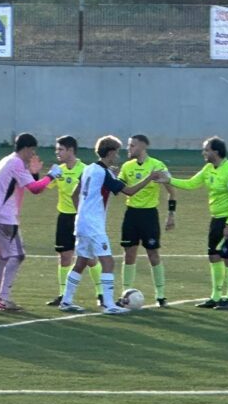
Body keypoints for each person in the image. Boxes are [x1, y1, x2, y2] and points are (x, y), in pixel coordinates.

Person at [58, 136, 160, 315]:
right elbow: (129, 191)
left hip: (81, 222)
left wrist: (83, 213)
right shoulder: (104, 173)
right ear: (111, 153)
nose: (118, 156)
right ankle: (108, 303)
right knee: (108, 262)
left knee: (81, 262)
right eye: (117, 152)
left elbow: (74, 195)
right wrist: (150, 177)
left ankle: (66, 300)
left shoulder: (89, 169)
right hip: (93, 225)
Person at [163, 137, 228, 311]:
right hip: (216, 218)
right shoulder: (208, 168)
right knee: (213, 256)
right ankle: (215, 297)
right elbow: (191, 184)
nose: (203, 153)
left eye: (206, 150)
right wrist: (169, 180)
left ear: (216, 152)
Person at [0, 133, 57, 311]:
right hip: (4, 217)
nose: (33, 155)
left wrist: (36, 173)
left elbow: (25, 182)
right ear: (26, 148)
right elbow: (35, 189)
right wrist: (52, 176)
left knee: (5, 257)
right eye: (32, 151)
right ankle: (4, 298)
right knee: (17, 255)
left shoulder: (7, 160)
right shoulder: (16, 163)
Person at [117, 135, 177, 308]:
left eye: (132, 145)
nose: (129, 148)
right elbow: (123, 189)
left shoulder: (158, 166)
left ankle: (161, 295)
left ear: (143, 147)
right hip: (131, 214)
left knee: (153, 254)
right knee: (129, 254)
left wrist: (171, 214)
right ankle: (125, 294)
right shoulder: (127, 166)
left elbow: (171, 192)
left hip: (149, 215)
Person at [46, 136, 103, 308]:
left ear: (70, 150)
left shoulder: (85, 170)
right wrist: (38, 173)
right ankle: (63, 295)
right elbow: (41, 187)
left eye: (60, 150)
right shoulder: (58, 170)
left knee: (89, 258)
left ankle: (100, 293)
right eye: (57, 150)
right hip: (64, 217)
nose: (57, 153)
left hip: (81, 218)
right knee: (64, 257)